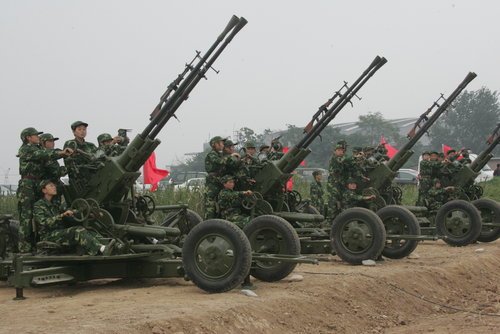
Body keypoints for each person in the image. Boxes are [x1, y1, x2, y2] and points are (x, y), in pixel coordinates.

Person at [17, 127, 73, 252]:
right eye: (35, 135)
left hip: (37, 183)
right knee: (27, 217)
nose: (38, 137)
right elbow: (45, 154)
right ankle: (25, 248)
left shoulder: (38, 148)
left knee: (38, 214)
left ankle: (38, 243)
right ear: (28, 138)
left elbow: (47, 154)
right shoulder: (26, 149)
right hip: (27, 185)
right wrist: (61, 153)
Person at [33, 180, 115, 255]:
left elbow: (71, 212)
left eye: (54, 185)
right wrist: (62, 215)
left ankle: (111, 246)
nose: (54, 187)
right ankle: (102, 249)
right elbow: (43, 222)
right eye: (51, 186)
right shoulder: (38, 205)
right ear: (44, 190)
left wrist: (90, 214)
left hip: (58, 232)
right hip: (49, 235)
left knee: (90, 231)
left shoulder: (55, 204)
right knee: (78, 230)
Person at [63, 121, 98, 189]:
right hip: (78, 180)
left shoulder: (90, 145)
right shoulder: (70, 144)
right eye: (79, 129)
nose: (82, 131)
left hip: (93, 177)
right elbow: (69, 161)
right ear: (74, 132)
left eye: (84, 129)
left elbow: (98, 157)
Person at [204, 136, 227, 219]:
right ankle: (208, 226)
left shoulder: (219, 154)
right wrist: (230, 157)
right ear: (215, 144)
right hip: (212, 183)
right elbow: (219, 162)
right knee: (210, 207)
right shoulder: (212, 154)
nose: (222, 145)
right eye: (221, 143)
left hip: (218, 181)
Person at [40, 133, 67, 198]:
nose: (53, 143)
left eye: (53, 141)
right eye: (50, 141)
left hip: (54, 187)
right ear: (43, 143)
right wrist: (69, 168)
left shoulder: (52, 155)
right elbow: (56, 172)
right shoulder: (45, 156)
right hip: (48, 188)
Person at [326, 144, 348, 219]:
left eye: (342, 150)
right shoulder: (335, 158)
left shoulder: (340, 158)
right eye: (338, 150)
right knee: (333, 203)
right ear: (334, 151)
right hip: (333, 184)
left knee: (341, 202)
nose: (340, 152)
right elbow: (342, 160)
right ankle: (329, 221)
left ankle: (339, 219)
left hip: (338, 183)